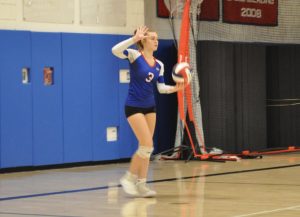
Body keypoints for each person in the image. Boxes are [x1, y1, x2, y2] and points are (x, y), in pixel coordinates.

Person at [112, 26, 185, 197]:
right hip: (133, 106)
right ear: (143, 41)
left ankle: (142, 185)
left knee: (145, 148)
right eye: (152, 38)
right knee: (147, 145)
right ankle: (129, 178)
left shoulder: (159, 64)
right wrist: (133, 40)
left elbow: (160, 88)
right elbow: (115, 50)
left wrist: (175, 88)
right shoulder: (135, 56)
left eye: (157, 38)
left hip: (150, 107)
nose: (156, 41)